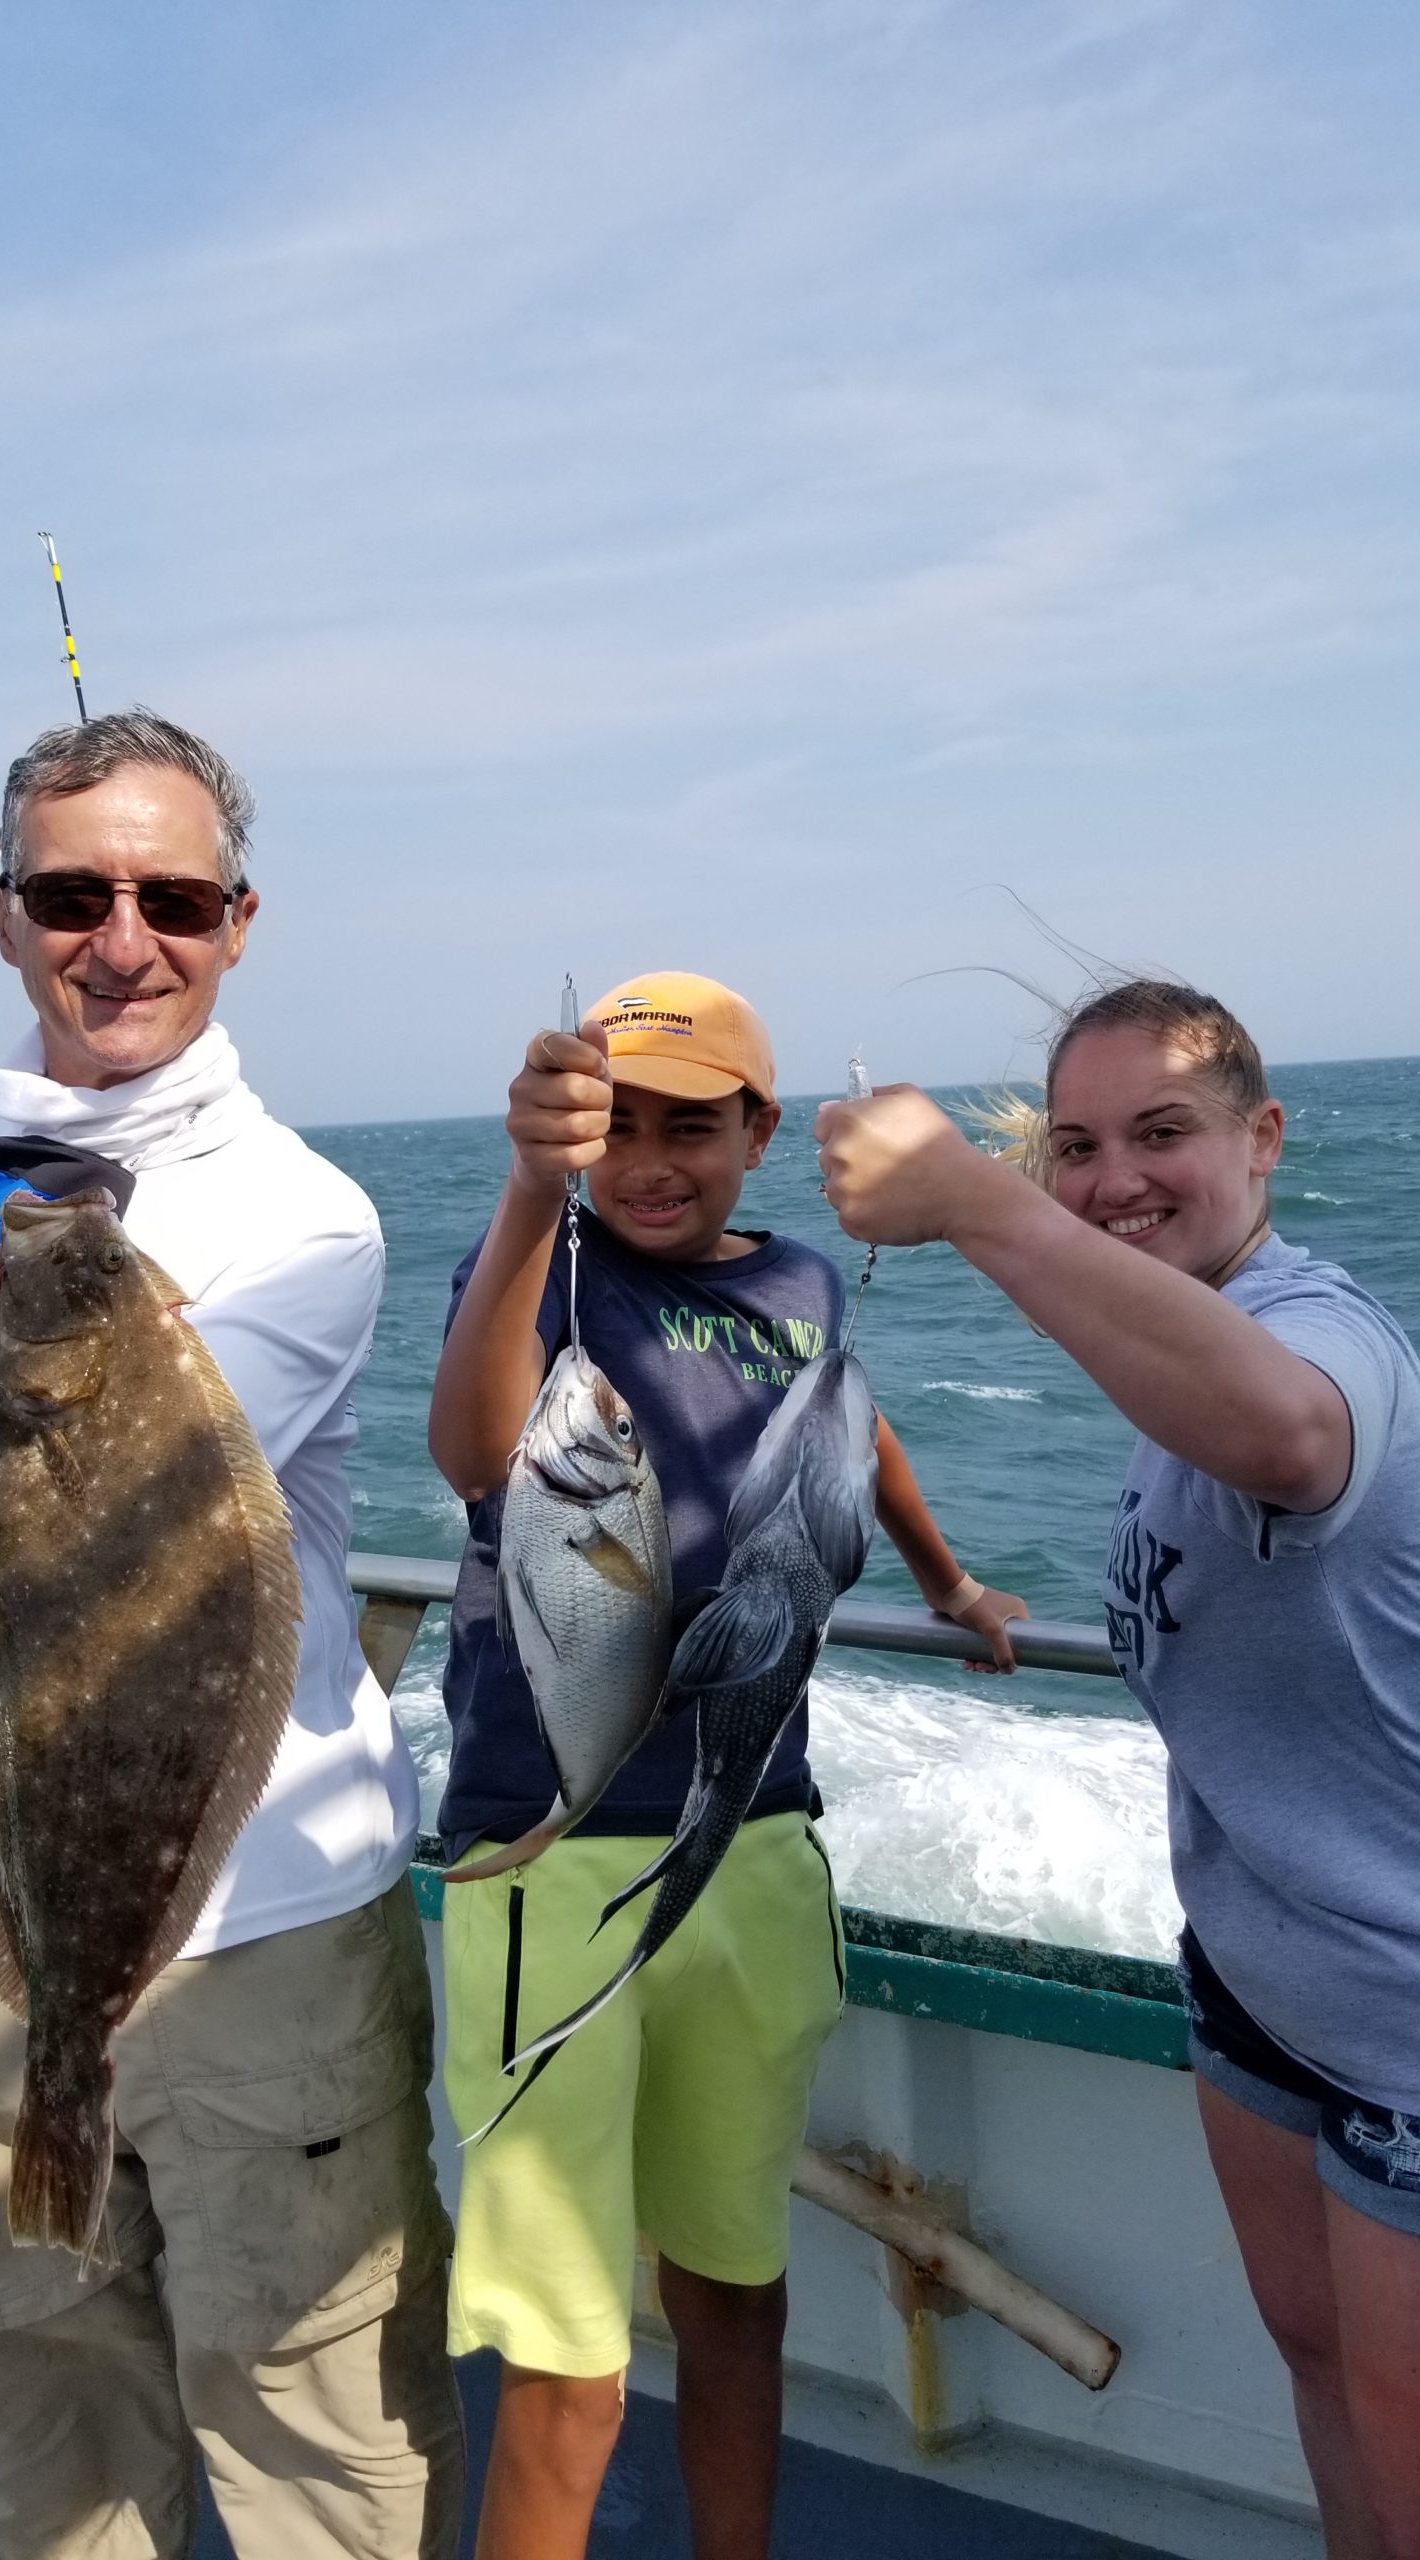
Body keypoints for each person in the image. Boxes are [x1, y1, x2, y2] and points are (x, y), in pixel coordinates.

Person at [815, 979, 1420, 2560]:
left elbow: (1291, 1442)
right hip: (1266, 1977)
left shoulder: (1325, 1335)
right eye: (1074, 1145)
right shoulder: (1168, 1340)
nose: (1115, 1175)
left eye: (1163, 1131)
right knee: (1325, 2396)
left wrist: (974, 1201)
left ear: (1264, 1142)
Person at [0, 710, 462, 2560]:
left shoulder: (309, 1215)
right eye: (74, 893)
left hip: (261, 1938)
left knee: (329, 2456)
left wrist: (24, 1338)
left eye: (174, 896)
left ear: (242, 922)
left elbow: (148, 1476)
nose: (123, 937)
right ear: (2, 915)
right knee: (45, 2464)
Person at [427, 971, 1027, 2560]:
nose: (649, 1159)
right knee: (569, 2359)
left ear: (760, 1130)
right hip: (550, 1860)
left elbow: (852, 1430)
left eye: (691, 1124)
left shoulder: (809, 1284)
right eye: (615, 1126)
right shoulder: (544, 1276)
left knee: (735, 2291)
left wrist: (951, 1582)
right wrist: (521, 1196)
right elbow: (478, 1455)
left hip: (752, 1839)